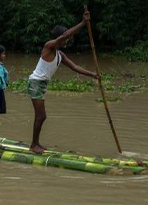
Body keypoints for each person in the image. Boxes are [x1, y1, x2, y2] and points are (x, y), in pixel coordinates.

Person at [28, 11, 100, 154]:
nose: (68, 40)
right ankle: (33, 145)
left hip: (42, 85)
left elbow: (75, 67)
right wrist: (83, 23)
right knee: (41, 116)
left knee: (41, 116)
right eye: (66, 37)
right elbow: (64, 36)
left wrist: (93, 75)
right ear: (60, 37)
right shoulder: (49, 46)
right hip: (36, 83)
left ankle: (36, 143)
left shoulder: (60, 55)